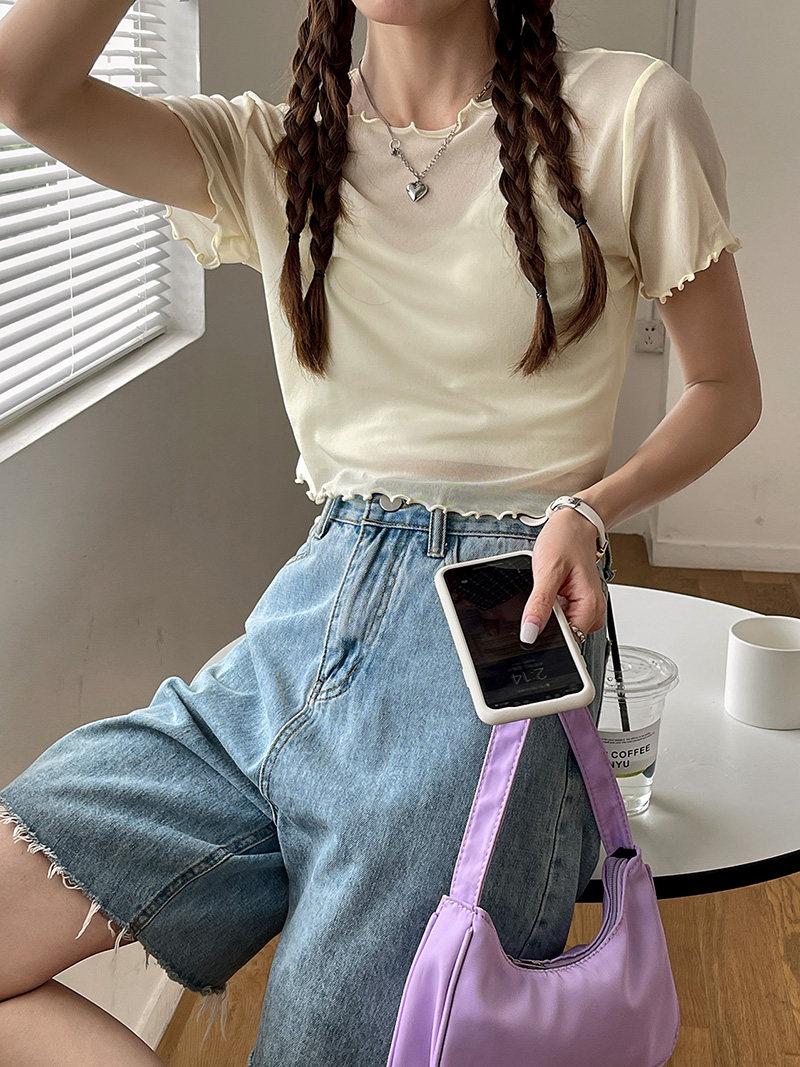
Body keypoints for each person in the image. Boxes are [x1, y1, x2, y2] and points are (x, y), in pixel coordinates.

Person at [0, 0, 761, 1064]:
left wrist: (592, 507)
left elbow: (726, 389)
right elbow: (26, 87)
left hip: (505, 612)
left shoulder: (631, 110)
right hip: (307, 616)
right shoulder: (278, 150)